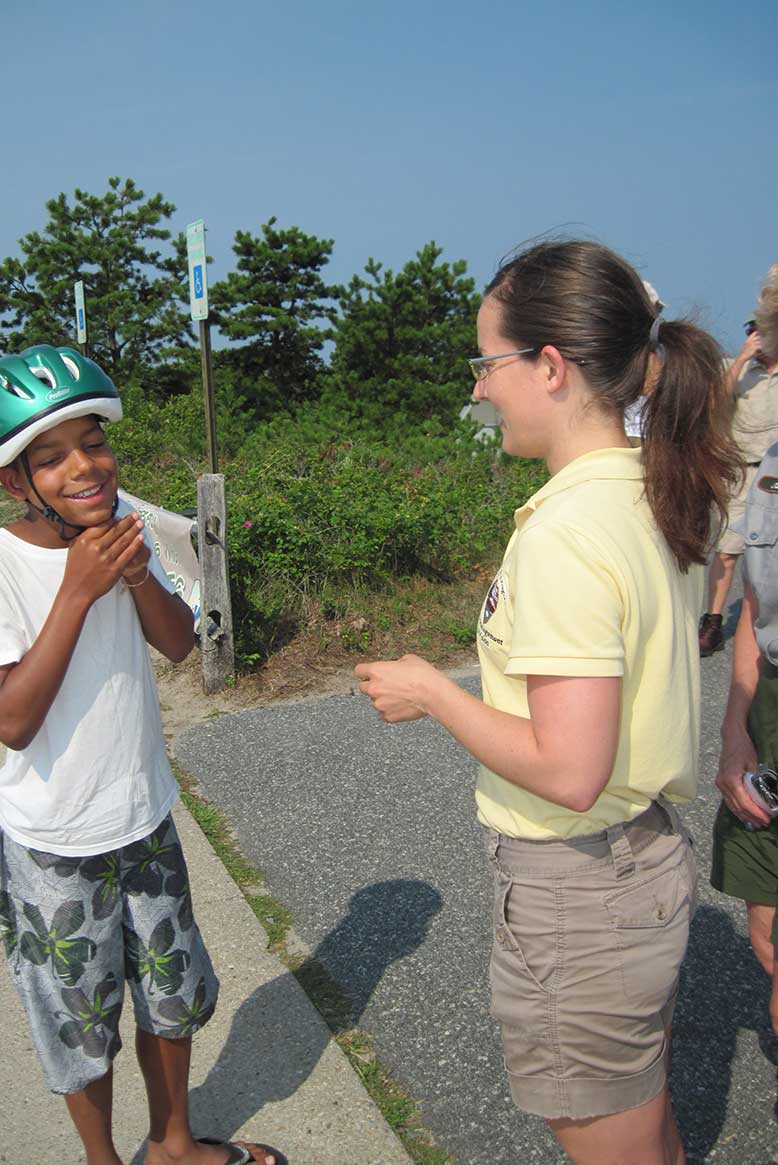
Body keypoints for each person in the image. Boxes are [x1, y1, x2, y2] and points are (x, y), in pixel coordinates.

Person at [355, 240, 742, 1165]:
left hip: (581, 891)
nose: (480, 389)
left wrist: (434, 694)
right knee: (638, 1118)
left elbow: (570, 772)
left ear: (552, 367)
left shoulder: (568, 531)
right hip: (634, 861)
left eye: (487, 364)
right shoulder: (649, 490)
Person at [0, 345, 284, 1165]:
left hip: (144, 818)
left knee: (172, 1000)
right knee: (80, 1022)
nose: (84, 465)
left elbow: (176, 646)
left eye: (93, 441)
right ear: (12, 480)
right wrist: (76, 590)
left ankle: (172, 1144)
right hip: (54, 844)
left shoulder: (123, 526)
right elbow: (10, 719)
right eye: (52, 456)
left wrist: (138, 578)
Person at [711, 276, 778, 1040]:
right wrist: (735, 729)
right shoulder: (771, 463)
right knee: (765, 937)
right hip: (768, 705)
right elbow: (758, 605)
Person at [699, 304, 778, 657]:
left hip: (774, 470)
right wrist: (744, 357)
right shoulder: (735, 368)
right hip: (739, 469)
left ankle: (767, 623)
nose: (758, 335)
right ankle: (713, 622)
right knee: (728, 551)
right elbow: (713, 403)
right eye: (753, 329)